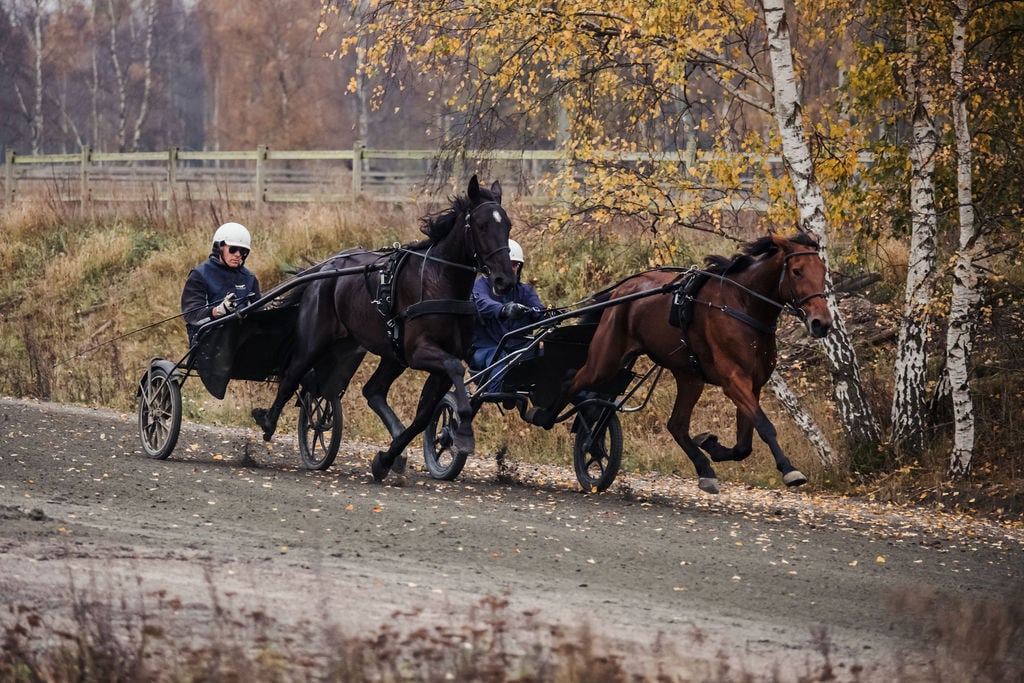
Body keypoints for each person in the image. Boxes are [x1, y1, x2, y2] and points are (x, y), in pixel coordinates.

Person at [470, 239, 548, 389]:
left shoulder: (525, 291)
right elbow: (482, 303)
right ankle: (500, 388)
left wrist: (547, 315)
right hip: (487, 350)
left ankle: (586, 404)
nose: (510, 269)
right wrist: (505, 310)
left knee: (553, 357)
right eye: (506, 264)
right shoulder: (480, 286)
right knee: (500, 359)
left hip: (519, 350)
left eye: (514, 265)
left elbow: (538, 310)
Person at [181, 222, 260, 344]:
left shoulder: (249, 277)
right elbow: (192, 316)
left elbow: (258, 312)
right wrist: (217, 311)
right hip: (209, 342)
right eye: (233, 249)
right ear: (219, 248)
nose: (238, 255)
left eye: (243, 251)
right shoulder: (200, 275)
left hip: (243, 340)